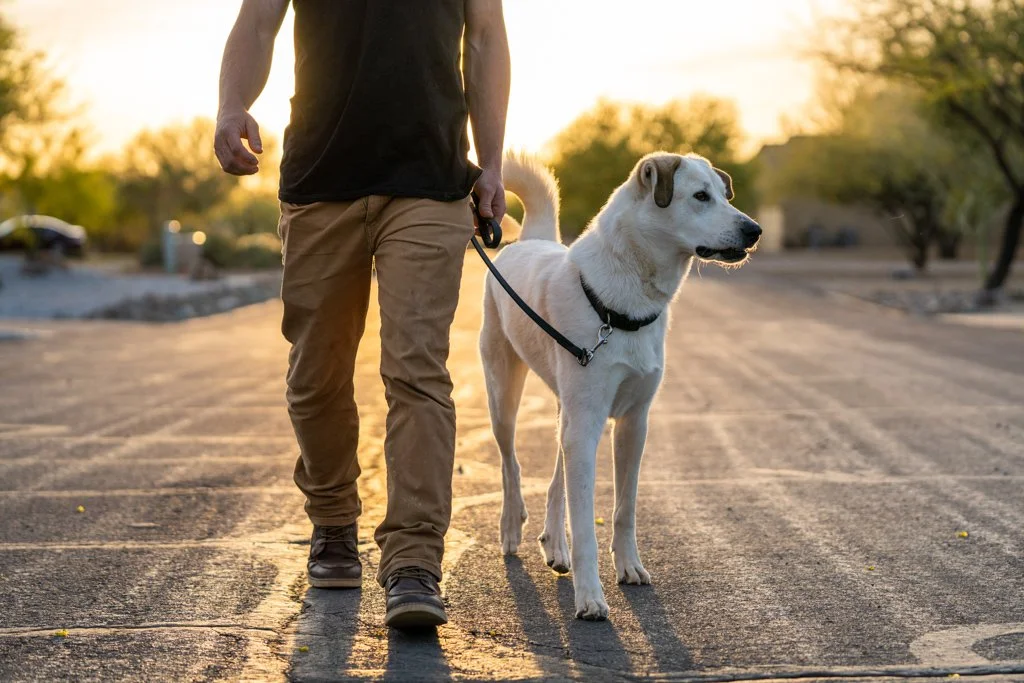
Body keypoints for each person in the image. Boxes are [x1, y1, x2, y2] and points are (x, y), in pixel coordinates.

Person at [215, 0, 509, 629]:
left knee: (416, 370)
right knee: (315, 375)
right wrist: (232, 104)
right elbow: (259, 21)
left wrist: (493, 162)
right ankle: (333, 522)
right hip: (322, 179)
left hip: (430, 181)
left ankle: (414, 561)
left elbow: (484, 37)